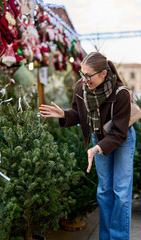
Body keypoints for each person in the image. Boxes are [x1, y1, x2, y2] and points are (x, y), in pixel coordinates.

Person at [39, 52, 136, 240]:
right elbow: (78, 113)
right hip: (99, 139)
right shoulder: (80, 87)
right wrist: (64, 114)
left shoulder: (121, 93)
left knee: (121, 192)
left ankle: (118, 237)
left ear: (103, 74)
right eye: (82, 74)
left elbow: (119, 133)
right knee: (104, 190)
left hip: (122, 139)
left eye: (89, 75)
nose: (84, 79)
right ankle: (105, 236)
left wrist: (97, 148)